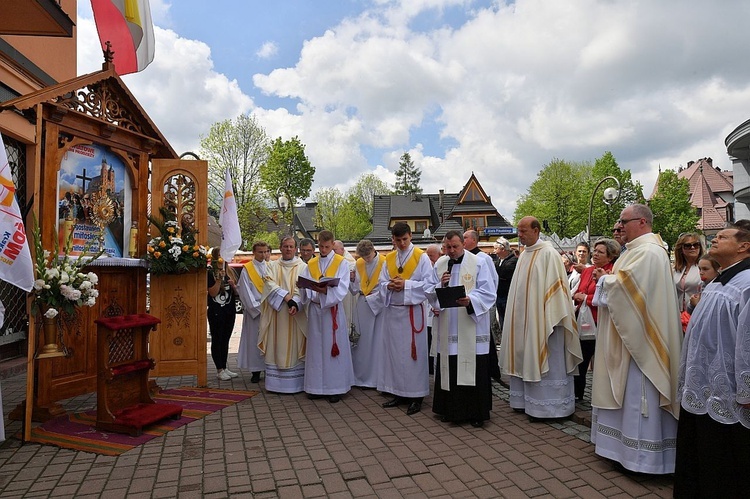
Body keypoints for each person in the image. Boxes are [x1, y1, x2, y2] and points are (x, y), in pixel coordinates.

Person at [590, 204, 683, 474]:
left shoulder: (650, 251)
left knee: (638, 395)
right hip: (627, 336)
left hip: (641, 340)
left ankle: (642, 459)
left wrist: (604, 281)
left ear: (641, 222)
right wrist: (609, 280)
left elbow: (628, 288)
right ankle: (620, 450)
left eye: (624, 221)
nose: (619, 226)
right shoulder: (635, 251)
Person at [674, 222, 750, 496]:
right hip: (701, 383)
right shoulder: (719, 279)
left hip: (729, 389)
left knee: (726, 461)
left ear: (744, 246)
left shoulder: (746, 283)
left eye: (723, 237)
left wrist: (747, 389)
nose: (714, 239)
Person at [500, 216, 582, 420]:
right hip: (524, 323)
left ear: (536, 230)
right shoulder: (524, 255)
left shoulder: (548, 254)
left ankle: (551, 408)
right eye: (518, 231)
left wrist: (550, 318)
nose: (519, 235)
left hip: (546, 322)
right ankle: (524, 402)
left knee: (547, 359)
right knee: (524, 355)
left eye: (523, 231)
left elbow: (556, 290)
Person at [429, 230, 496, 427]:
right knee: (449, 366)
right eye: (447, 247)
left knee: (472, 367)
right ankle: (451, 411)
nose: (451, 251)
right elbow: (429, 290)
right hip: (449, 325)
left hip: (470, 324)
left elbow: (488, 291)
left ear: (463, 245)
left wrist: (470, 301)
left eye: (455, 247)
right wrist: (439, 288)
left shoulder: (479, 262)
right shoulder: (440, 264)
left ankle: (476, 413)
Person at [378, 222, 438, 416]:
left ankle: (416, 396)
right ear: (393, 240)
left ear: (411, 236)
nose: (402, 244)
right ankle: (398, 393)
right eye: (398, 240)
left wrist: (406, 285)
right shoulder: (389, 258)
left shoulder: (421, 257)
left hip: (412, 312)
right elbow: (381, 282)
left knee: (413, 356)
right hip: (393, 313)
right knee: (394, 355)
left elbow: (429, 284)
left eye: (404, 239)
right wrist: (388, 286)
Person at [297, 230, 354, 403]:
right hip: (315, 311)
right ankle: (316, 387)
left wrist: (325, 292)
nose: (323, 250)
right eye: (320, 246)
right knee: (316, 349)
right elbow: (305, 288)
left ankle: (335, 388)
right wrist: (303, 286)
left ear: (332, 244)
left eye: (327, 247)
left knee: (332, 349)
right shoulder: (311, 263)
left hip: (332, 311)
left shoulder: (341, 263)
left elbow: (342, 288)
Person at [571, 238, 619, 401]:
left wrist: (586, 298)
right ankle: (577, 393)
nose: (596, 254)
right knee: (581, 359)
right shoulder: (587, 270)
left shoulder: (612, 272)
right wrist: (578, 296)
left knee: (601, 361)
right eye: (595, 251)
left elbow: (610, 297)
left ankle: (603, 396)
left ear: (610, 256)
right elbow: (580, 290)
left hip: (600, 320)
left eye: (601, 252)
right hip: (583, 319)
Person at [258, 236, 308, 393]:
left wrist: (296, 303)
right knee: (276, 345)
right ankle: (275, 385)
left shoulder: (303, 267)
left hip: (294, 316)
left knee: (294, 347)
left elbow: (303, 288)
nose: (288, 249)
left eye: (291, 246)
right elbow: (268, 284)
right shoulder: (272, 266)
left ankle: (296, 385)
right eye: (285, 246)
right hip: (277, 314)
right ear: (280, 248)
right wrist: (288, 299)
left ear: (295, 249)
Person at [349, 239, 386, 388]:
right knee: (362, 342)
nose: (366, 260)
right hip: (363, 305)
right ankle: (360, 377)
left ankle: (377, 378)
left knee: (377, 341)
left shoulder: (384, 262)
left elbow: (385, 285)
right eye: (363, 257)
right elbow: (354, 289)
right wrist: (351, 280)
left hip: (378, 305)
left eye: (368, 256)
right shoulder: (358, 264)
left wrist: (374, 297)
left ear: (373, 251)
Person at [237, 241, 270, 383]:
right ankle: (255, 371)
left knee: (269, 341)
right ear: (254, 253)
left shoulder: (271, 267)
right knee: (254, 341)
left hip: (270, 311)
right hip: (255, 313)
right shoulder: (247, 269)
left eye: (265, 252)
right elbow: (245, 291)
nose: (263, 255)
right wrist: (257, 308)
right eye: (260, 252)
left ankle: (269, 370)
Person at [208, 247, 239, 381]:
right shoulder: (210, 272)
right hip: (216, 311)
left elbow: (237, 293)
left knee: (226, 339)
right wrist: (219, 280)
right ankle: (219, 369)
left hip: (229, 310)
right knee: (217, 339)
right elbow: (213, 293)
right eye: (221, 255)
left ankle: (225, 367)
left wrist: (233, 286)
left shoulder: (230, 271)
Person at [673, 232, 704, 314]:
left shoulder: (705, 267)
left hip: (697, 312)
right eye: (688, 245)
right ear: (681, 249)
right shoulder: (675, 269)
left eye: (696, 245)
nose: (693, 248)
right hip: (678, 313)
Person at [493, 237, 518, 330]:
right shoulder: (498, 261)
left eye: (496, 248)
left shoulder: (513, 261)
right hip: (499, 295)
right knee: (502, 319)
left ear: (503, 249)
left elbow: (503, 274)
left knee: (508, 320)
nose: (494, 251)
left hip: (508, 295)